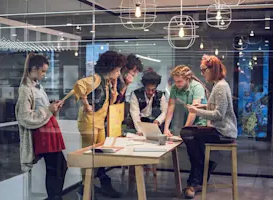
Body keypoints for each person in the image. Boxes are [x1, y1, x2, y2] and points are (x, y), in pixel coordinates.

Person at [72, 51, 126, 199]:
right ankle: (85, 188)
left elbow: (107, 104)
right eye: (117, 70)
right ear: (111, 69)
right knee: (89, 157)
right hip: (90, 122)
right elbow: (78, 86)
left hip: (99, 123)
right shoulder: (96, 79)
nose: (119, 73)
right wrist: (85, 103)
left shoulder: (106, 82)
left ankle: (88, 187)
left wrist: (114, 93)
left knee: (98, 157)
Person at [182, 55, 238, 199]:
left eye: (203, 70)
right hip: (220, 129)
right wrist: (202, 106)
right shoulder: (219, 84)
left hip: (224, 131)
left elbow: (219, 114)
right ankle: (201, 172)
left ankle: (197, 176)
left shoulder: (220, 87)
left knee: (187, 133)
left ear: (212, 69)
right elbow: (218, 107)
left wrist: (197, 111)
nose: (202, 73)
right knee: (191, 135)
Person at [15, 53, 67, 200]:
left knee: (59, 166)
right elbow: (25, 116)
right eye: (43, 71)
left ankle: (55, 196)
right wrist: (48, 109)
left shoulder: (38, 86)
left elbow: (42, 108)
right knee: (56, 167)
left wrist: (52, 106)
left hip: (49, 128)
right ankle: (55, 197)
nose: (44, 74)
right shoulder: (25, 89)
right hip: (43, 132)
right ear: (34, 68)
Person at [163, 65, 208, 137]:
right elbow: (170, 108)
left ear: (187, 79)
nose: (177, 84)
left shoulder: (197, 87)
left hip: (201, 122)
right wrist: (166, 129)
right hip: (189, 120)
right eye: (175, 81)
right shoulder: (174, 88)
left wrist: (184, 131)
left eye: (180, 81)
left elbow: (193, 111)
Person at [129, 70, 167, 135]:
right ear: (144, 87)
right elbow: (135, 114)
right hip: (140, 123)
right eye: (148, 89)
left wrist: (158, 121)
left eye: (153, 90)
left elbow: (165, 111)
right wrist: (140, 130)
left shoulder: (160, 95)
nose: (150, 92)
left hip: (156, 124)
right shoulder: (136, 94)